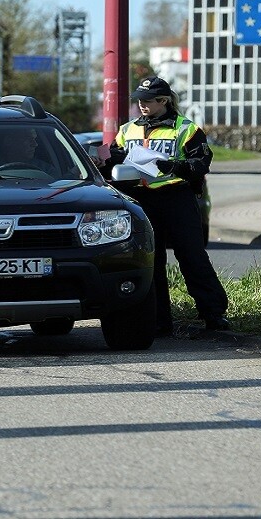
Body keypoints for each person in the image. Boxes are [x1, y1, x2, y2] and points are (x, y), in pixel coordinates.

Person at [100, 76, 230, 337]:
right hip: (142, 200)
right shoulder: (128, 130)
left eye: (148, 101)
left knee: (192, 257)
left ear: (163, 101)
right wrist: (102, 159)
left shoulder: (186, 129)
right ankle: (159, 320)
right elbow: (115, 157)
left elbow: (201, 165)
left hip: (176, 199)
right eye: (139, 101)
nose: (142, 105)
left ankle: (213, 314)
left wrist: (174, 167)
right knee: (151, 261)